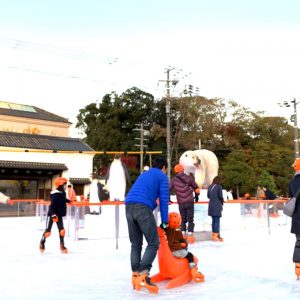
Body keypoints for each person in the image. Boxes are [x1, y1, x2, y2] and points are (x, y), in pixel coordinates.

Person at [125, 157, 169, 294]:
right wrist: (165, 221)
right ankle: (143, 274)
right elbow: (163, 200)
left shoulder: (145, 174)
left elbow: (147, 197)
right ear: (164, 167)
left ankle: (135, 274)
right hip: (142, 208)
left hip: (129, 206)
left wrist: (154, 204)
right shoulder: (162, 176)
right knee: (153, 242)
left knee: (136, 244)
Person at [165, 212, 204, 282]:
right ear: (179, 222)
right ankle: (193, 270)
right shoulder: (179, 232)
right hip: (177, 251)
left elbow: (162, 226)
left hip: (169, 251)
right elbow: (182, 242)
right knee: (190, 255)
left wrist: (165, 222)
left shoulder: (168, 230)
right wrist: (185, 243)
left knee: (184, 249)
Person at [39, 177, 72, 253]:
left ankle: (62, 245)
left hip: (59, 214)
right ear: (60, 185)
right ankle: (42, 242)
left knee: (62, 231)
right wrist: (53, 215)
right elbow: (53, 205)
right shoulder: (55, 194)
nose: (65, 186)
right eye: (64, 184)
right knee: (48, 232)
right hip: (52, 214)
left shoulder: (63, 192)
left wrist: (68, 201)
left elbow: (63, 199)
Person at [170, 164, 200, 243]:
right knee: (190, 219)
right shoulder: (189, 178)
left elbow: (167, 190)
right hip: (190, 201)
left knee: (183, 219)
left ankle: (183, 235)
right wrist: (197, 196)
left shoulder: (173, 180)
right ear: (183, 170)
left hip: (181, 202)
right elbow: (197, 190)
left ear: (175, 171)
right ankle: (190, 235)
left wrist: (167, 199)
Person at [288, 158, 300, 279]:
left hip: (297, 218)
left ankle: (298, 270)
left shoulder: (291, 182)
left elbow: (291, 198)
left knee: (299, 243)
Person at [207, 176, 224, 242]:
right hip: (217, 206)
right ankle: (217, 236)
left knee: (214, 221)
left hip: (211, 205)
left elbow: (208, 196)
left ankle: (213, 235)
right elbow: (220, 196)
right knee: (217, 221)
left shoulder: (210, 187)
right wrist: (222, 201)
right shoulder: (219, 186)